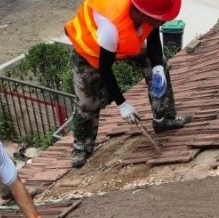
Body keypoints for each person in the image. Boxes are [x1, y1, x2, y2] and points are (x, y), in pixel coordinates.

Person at [65, 0, 191, 168]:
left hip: (123, 44)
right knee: (87, 103)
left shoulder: (147, 9)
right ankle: (81, 146)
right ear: (142, 14)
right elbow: (105, 68)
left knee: (159, 63)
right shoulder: (110, 26)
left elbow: (153, 37)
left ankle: (164, 119)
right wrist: (122, 104)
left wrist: (158, 67)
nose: (165, 21)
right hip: (91, 51)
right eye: (161, 18)